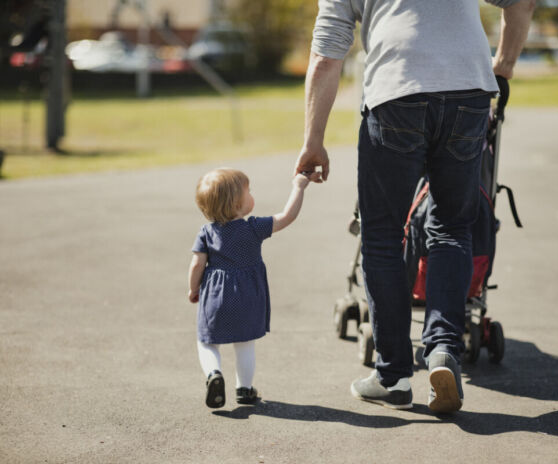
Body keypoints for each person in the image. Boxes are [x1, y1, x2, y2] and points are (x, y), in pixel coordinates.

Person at [295, 0, 535, 413]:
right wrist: (504, 63)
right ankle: (443, 349)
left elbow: (326, 54)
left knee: (383, 237)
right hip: (470, 91)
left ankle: (393, 377)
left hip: (397, 90)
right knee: (452, 228)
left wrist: (313, 140)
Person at [188, 168, 320, 408]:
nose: (252, 195)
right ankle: (245, 389)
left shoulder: (206, 233)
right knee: (245, 342)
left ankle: (214, 374)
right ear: (239, 204)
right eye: (249, 192)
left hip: (216, 297)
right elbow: (287, 216)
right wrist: (299, 187)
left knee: (207, 342)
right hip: (248, 297)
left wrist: (193, 289)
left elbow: (197, 263)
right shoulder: (253, 228)